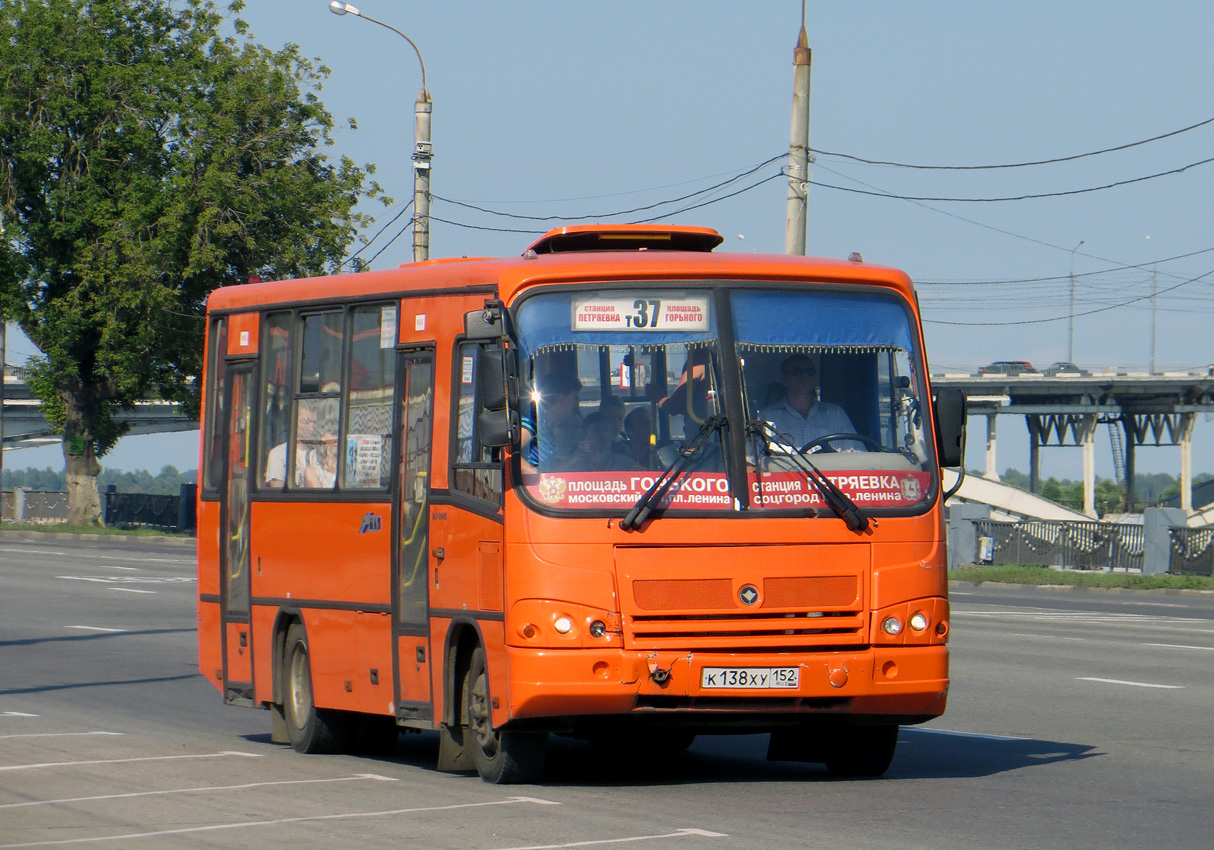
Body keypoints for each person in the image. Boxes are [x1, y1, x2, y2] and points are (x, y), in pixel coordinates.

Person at [759, 354, 860, 450]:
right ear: (784, 380)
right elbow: (751, 462)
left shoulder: (835, 413)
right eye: (797, 372)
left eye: (810, 372)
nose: (805, 376)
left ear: (815, 379)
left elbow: (858, 454)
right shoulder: (766, 417)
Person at [520, 371, 582, 473]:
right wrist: (536, 475)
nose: (576, 403)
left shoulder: (548, 428)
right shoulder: (532, 422)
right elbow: (506, 454)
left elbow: (548, 469)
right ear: (561, 399)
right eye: (574, 398)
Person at [647, 347, 715, 427]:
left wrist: (658, 397)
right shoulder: (711, 358)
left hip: (704, 432)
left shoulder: (699, 359)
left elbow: (675, 405)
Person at [565, 412, 643, 472]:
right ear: (584, 434)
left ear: (611, 435)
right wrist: (575, 457)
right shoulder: (574, 465)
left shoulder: (625, 463)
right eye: (597, 430)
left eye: (606, 430)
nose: (602, 434)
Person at [264, 404, 317, 487]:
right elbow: (278, 491)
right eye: (306, 422)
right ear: (294, 423)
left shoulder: (320, 453)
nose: (311, 427)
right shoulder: (279, 454)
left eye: (314, 422)